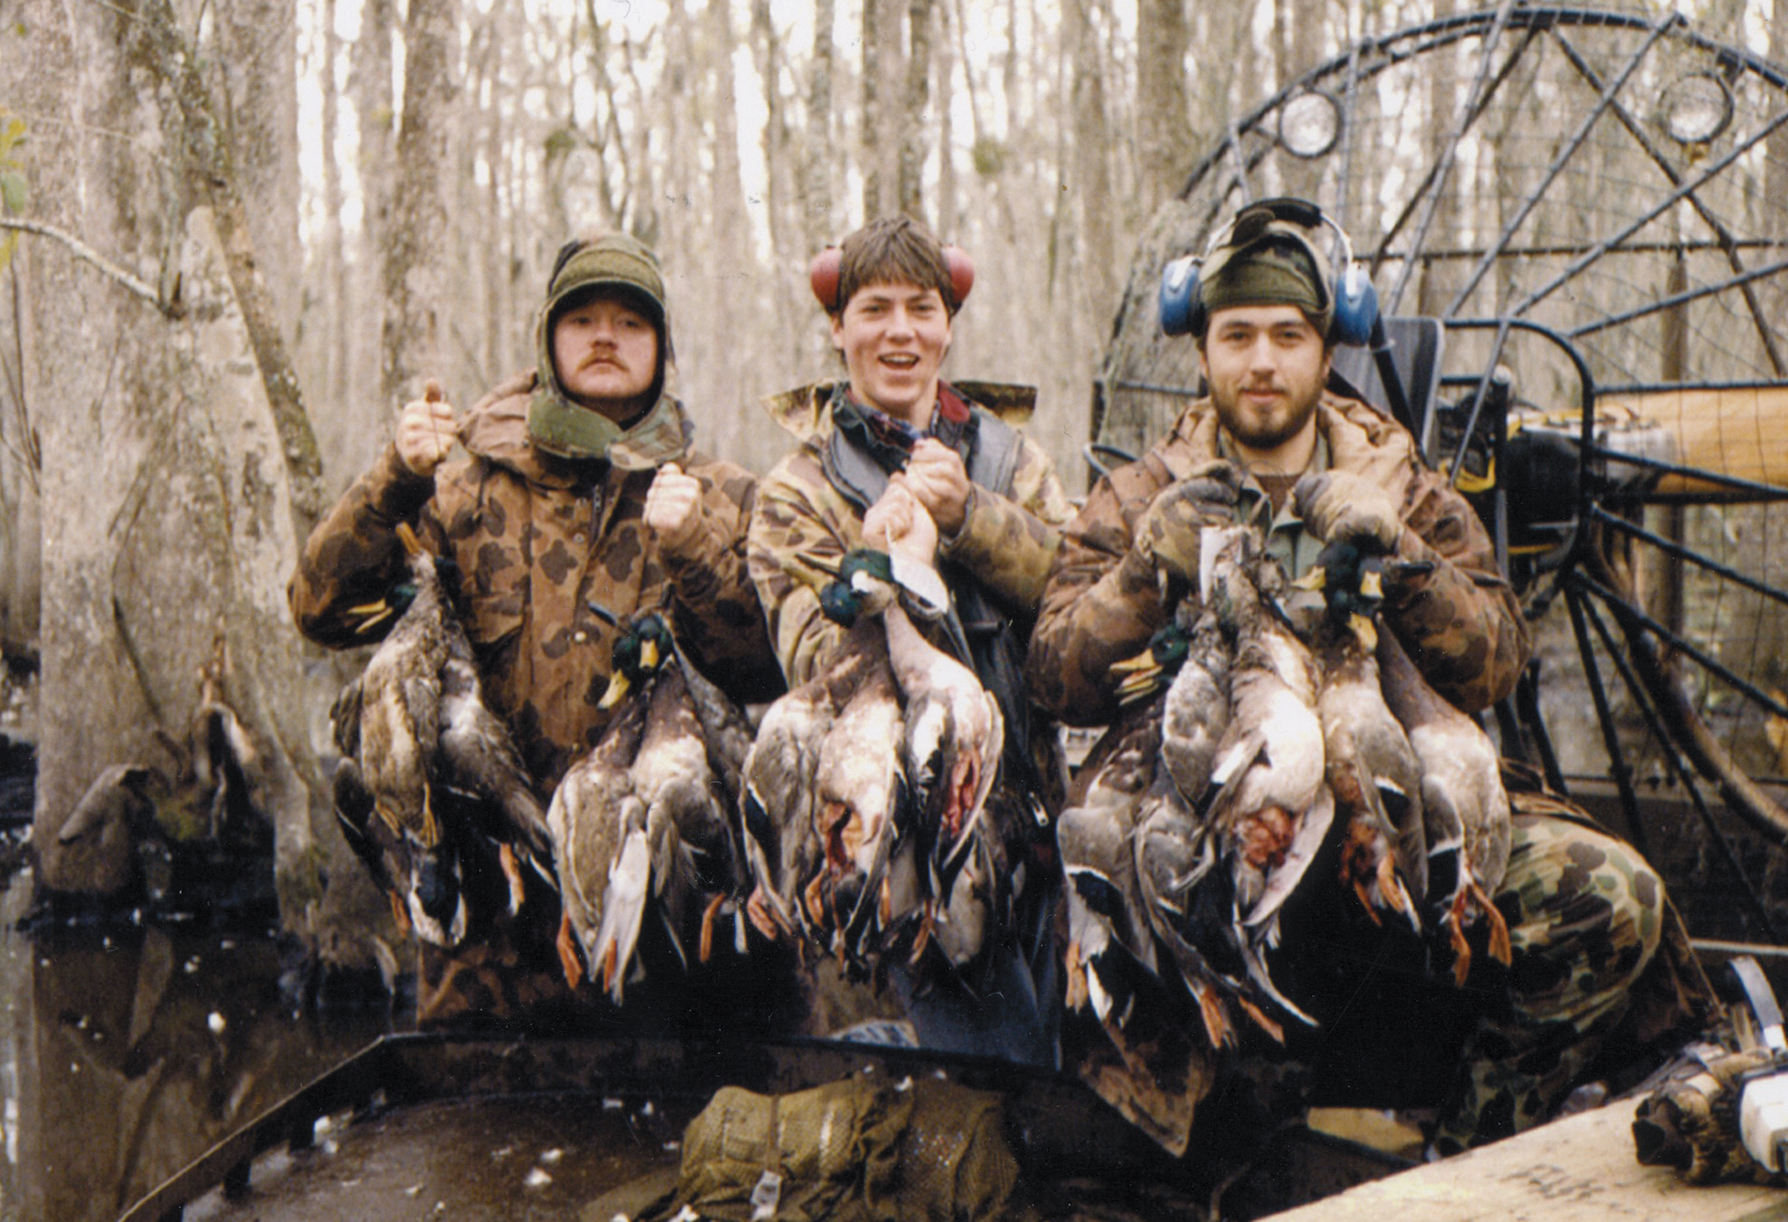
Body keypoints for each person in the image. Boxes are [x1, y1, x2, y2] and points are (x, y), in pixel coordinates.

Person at [1026, 197, 1680, 1153]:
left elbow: (1497, 658)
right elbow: (1058, 676)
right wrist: (1141, 573)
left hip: (1396, 811)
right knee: (1127, 904)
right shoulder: (1140, 493)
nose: (1261, 361)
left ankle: (1463, 1149)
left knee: (1612, 898)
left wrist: (1405, 556)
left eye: (1288, 335)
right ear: (1200, 350)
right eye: (1237, 335)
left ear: (1326, 348)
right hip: (1218, 826)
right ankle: (1220, 1152)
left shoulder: (1403, 481)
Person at [290, 230, 782, 1028]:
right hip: (493, 967)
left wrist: (693, 551)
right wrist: (391, 483)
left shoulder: (718, 495)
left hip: (677, 962)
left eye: (631, 322)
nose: (605, 337)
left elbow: (768, 670)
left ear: (662, 348)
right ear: (549, 340)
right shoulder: (458, 490)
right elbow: (320, 609)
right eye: (582, 317)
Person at [747, 215, 1074, 1065]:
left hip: (1038, 820)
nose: (900, 332)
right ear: (838, 328)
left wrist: (972, 517)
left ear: (948, 324)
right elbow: (817, 667)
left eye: (921, 309)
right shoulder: (798, 491)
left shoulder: (1012, 464)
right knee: (979, 1087)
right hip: (910, 848)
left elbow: (1079, 600)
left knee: (1056, 1062)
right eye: (875, 310)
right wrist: (901, 574)